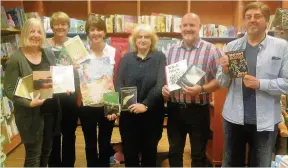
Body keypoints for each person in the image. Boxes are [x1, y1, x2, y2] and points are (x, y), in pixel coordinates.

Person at [216, 2, 288, 167]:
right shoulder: (233, 46)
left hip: (266, 122)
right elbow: (222, 82)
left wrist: (260, 83)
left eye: (257, 16)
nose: (252, 20)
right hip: (233, 119)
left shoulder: (282, 47)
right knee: (232, 163)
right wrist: (225, 70)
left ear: (267, 21)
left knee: (261, 164)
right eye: (248, 17)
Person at [162, 13, 221, 167]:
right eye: (184, 25)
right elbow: (165, 79)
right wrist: (164, 88)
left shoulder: (212, 50)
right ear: (180, 28)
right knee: (174, 152)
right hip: (175, 109)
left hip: (199, 110)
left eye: (192, 25)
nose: (188, 28)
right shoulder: (170, 51)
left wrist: (201, 89)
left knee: (198, 155)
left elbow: (221, 80)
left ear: (199, 27)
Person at [4, 18, 61, 167]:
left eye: (39, 31)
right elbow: (8, 89)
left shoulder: (47, 53)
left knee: (46, 151)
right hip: (30, 115)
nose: (36, 35)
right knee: (33, 155)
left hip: (50, 110)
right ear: (24, 33)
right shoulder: (15, 59)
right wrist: (28, 103)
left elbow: (55, 77)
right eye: (32, 31)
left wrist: (63, 85)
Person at [116, 24, 166, 167]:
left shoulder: (159, 57)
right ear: (134, 40)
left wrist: (145, 104)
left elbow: (160, 85)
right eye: (140, 36)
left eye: (147, 37)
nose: (143, 40)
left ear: (152, 40)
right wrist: (127, 104)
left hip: (152, 115)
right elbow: (119, 83)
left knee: (149, 155)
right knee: (130, 154)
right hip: (129, 116)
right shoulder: (126, 58)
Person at [77, 15, 117, 167]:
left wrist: (113, 106)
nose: (96, 33)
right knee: (90, 143)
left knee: (105, 141)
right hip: (87, 105)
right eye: (92, 30)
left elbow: (116, 80)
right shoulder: (80, 53)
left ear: (105, 32)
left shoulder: (113, 52)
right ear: (87, 32)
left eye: (99, 29)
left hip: (108, 104)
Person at [45, 12, 79, 167]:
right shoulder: (44, 45)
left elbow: (83, 70)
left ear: (68, 26)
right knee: (52, 133)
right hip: (49, 96)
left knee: (69, 133)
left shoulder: (74, 44)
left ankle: (68, 164)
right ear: (51, 26)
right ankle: (54, 164)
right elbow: (41, 70)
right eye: (57, 24)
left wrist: (76, 69)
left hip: (69, 95)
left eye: (63, 24)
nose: (60, 27)